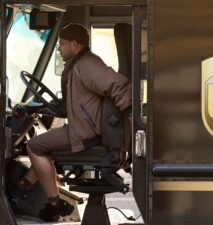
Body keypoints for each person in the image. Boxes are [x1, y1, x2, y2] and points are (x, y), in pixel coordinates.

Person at [9, 23, 132, 221]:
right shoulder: (78, 65)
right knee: (46, 146)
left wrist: (131, 113)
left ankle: (54, 204)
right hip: (85, 129)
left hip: (85, 134)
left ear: (75, 44)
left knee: (34, 147)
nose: (59, 48)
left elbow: (117, 85)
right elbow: (72, 105)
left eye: (62, 44)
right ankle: (22, 187)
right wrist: (36, 107)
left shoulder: (86, 65)